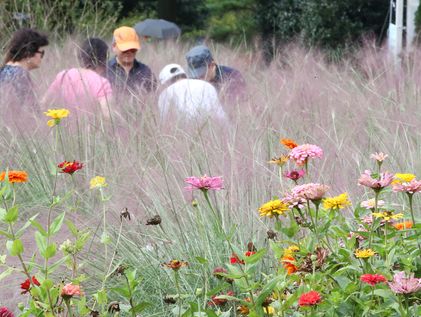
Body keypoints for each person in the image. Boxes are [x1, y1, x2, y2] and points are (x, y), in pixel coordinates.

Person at [44, 38, 112, 117]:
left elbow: (44, 103)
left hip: (64, 125)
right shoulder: (102, 83)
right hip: (90, 128)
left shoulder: (63, 75)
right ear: (104, 59)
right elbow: (107, 115)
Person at [158, 63, 226, 121]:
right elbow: (221, 116)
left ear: (165, 83)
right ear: (184, 75)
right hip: (214, 129)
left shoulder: (164, 94)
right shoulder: (207, 85)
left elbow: (165, 123)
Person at [0, 28, 48, 108]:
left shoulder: (4, 70)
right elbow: (31, 110)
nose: (41, 58)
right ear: (29, 53)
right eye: (41, 53)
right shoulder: (21, 76)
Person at [107, 26, 156, 94]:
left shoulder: (146, 71)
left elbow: (153, 96)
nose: (129, 52)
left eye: (133, 49)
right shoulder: (105, 70)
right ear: (114, 47)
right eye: (125, 49)